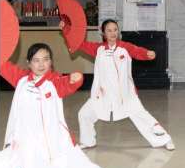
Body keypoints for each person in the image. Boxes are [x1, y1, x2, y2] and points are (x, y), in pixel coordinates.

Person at [0, 43, 132, 168]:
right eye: (36, 60)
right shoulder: (21, 80)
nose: (41, 64)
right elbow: (1, 63)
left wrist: (75, 79)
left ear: (51, 62)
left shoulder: (54, 81)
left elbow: (67, 84)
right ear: (28, 63)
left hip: (57, 145)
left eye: (46, 59)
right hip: (25, 145)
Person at [71, 19, 172, 150]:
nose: (113, 33)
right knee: (84, 114)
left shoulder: (125, 47)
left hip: (126, 95)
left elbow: (137, 51)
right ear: (103, 33)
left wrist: (147, 54)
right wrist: (66, 29)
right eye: (109, 30)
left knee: (143, 117)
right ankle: (88, 141)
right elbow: (79, 44)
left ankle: (165, 140)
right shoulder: (98, 49)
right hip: (102, 96)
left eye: (115, 30)